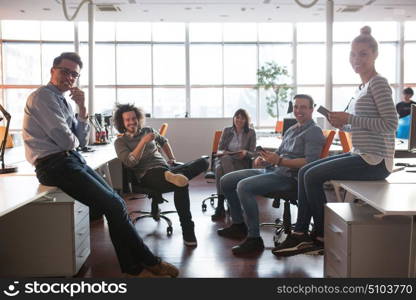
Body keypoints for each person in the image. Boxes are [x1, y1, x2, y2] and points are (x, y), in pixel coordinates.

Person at [22, 52, 179, 278]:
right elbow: (67, 139)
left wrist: (83, 108)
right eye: (64, 71)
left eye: (74, 74)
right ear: (52, 71)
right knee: (114, 204)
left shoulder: (63, 100)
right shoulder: (42, 97)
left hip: (69, 159)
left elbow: (81, 140)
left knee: (117, 204)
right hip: (53, 165)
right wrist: (73, 137)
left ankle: (133, 269)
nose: (69, 77)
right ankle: (149, 262)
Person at [273, 26, 398, 257]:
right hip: (360, 153)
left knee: (310, 174)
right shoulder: (362, 88)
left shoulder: (379, 83)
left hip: (375, 160)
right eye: (353, 54)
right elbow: (362, 123)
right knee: (305, 172)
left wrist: (350, 118)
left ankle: (318, 236)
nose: (356, 59)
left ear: (375, 55)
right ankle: (302, 234)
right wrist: (344, 124)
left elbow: (391, 124)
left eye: (363, 54)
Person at [217, 94, 325, 255]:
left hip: (290, 178)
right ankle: (239, 225)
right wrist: (265, 160)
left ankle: (254, 239)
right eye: (296, 107)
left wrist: (279, 161)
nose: (298, 110)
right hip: (274, 170)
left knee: (243, 186)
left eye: (303, 107)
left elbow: (310, 162)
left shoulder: (314, 131)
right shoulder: (292, 129)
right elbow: (279, 154)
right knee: (226, 180)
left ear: (311, 109)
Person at [113, 104, 209, 247]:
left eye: (134, 118)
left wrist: (172, 158)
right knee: (180, 184)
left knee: (203, 162)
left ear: (138, 118)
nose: (132, 122)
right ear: (122, 123)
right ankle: (188, 231)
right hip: (147, 175)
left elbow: (164, 141)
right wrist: (143, 142)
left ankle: (172, 175)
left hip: (165, 167)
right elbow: (130, 162)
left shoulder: (148, 130)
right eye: (127, 120)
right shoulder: (120, 142)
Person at [211, 108, 256, 221]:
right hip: (224, 159)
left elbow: (253, 154)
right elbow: (219, 151)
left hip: (240, 161)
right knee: (225, 159)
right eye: (237, 117)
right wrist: (225, 153)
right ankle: (232, 203)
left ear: (246, 120)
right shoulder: (227, 130)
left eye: (242, 117)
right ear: (234, 118)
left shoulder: (251, 132)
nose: (239, 120)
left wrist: (246, 153)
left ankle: (220, 205)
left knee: (219, 171)